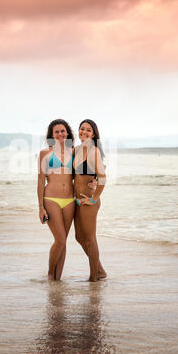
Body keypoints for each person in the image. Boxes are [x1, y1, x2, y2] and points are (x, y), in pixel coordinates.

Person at [37, 119, 75, 281]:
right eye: (56, 132)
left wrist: (93, 182)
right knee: (59, 240)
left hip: (70, 201)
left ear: (67, 133)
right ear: (52, 135)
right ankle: (50, 275)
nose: (60, 134)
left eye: (62, 131)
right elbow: (40, 181)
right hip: (51, 199)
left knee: (64, 242)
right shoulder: (45, 153)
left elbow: (84, 174)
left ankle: (58, 279)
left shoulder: (74, 152)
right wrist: (40, 207)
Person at [73, 119, 107, 282]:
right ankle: (100, 270)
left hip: (88, 201)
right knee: (79, 237)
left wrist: (94, 199)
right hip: (77, 200)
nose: (84, 132)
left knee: (90, 239)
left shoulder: (94, 151)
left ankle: (94, 277)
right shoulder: (77, 149)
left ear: (93, 134)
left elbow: (102, 177)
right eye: (82, 129)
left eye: (88, 130)